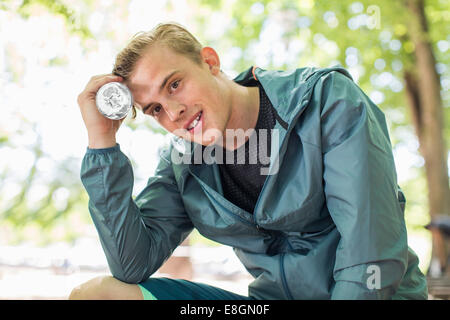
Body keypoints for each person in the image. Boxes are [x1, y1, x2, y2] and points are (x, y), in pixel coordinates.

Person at [69, 22, 428, 300]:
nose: (173, 112)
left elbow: (372, 253)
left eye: (174, 84)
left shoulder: (325, 102)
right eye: (155, 109)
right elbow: (132, 264)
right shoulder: (182, 163)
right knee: (98, 294)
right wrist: (102, 142)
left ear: (210, 62)